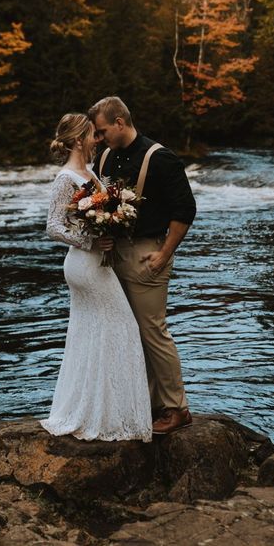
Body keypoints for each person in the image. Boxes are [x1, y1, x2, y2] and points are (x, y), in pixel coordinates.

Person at [40, 112, 152, 442]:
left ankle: (99, 412)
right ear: (78, 140)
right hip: (84, 265)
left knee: (96, 335)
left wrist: (116, 219)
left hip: (95, 263)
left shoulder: (88, 171)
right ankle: (101, 417)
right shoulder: (65, 178)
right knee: (121, 327)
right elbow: (53, 227)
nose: (96, 139)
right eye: (91, 134)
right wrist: (90, 240)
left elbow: (96, 212)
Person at [88, 96, 196, 435]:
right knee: (127, 333)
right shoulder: (105, 157)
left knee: (152, 332)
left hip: (147, 253)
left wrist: (164, 254)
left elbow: (185, 210)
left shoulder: (160, 157)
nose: (100, 138)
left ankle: (177, 409)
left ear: (120, 122)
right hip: (112, 256)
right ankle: (145, 405)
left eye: (103, 131)